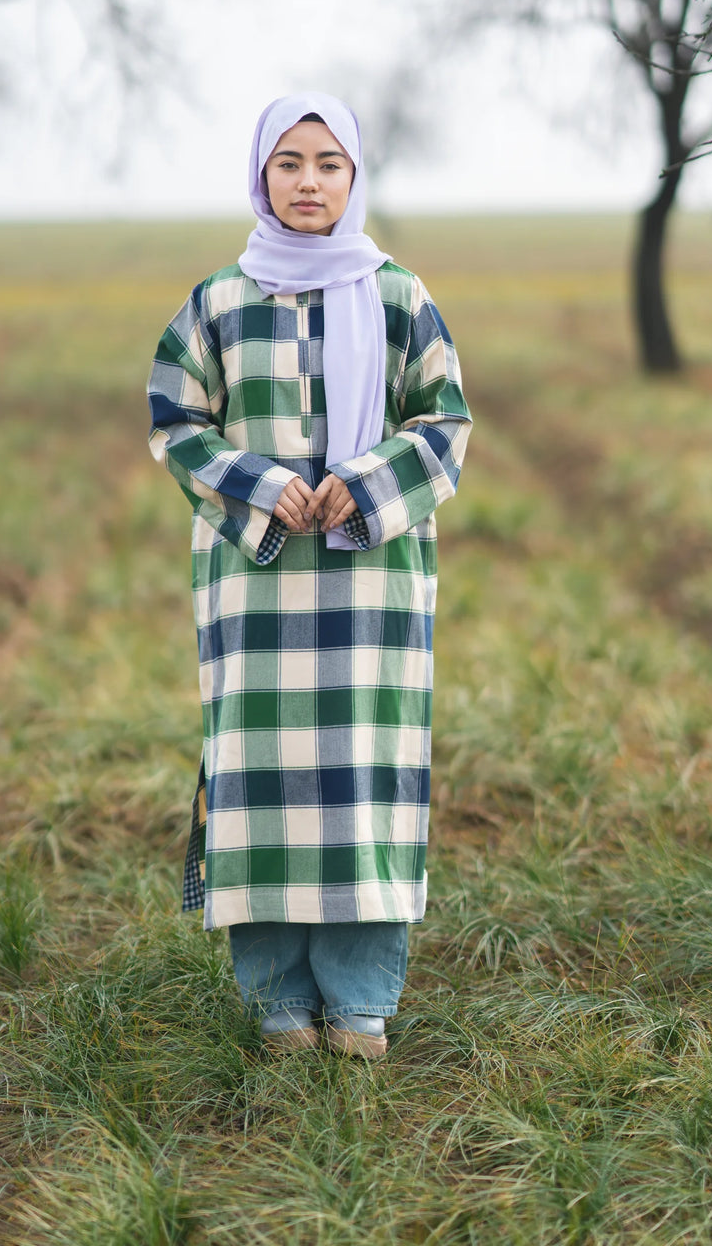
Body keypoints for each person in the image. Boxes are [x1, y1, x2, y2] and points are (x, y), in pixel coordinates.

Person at [147, 92, 471, 1059]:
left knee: (363, 779)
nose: (309, 182)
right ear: (262, 175)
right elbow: (176, 423)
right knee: (265, 785)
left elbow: (445, 427)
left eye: (329, 164)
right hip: (255, 588)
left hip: (372, 587)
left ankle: (361, 1002)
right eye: (289, 162)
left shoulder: (401, 297)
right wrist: (263, 485)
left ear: (354, 177)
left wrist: (361, 485)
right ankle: (279, 1003)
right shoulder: (217, 301)